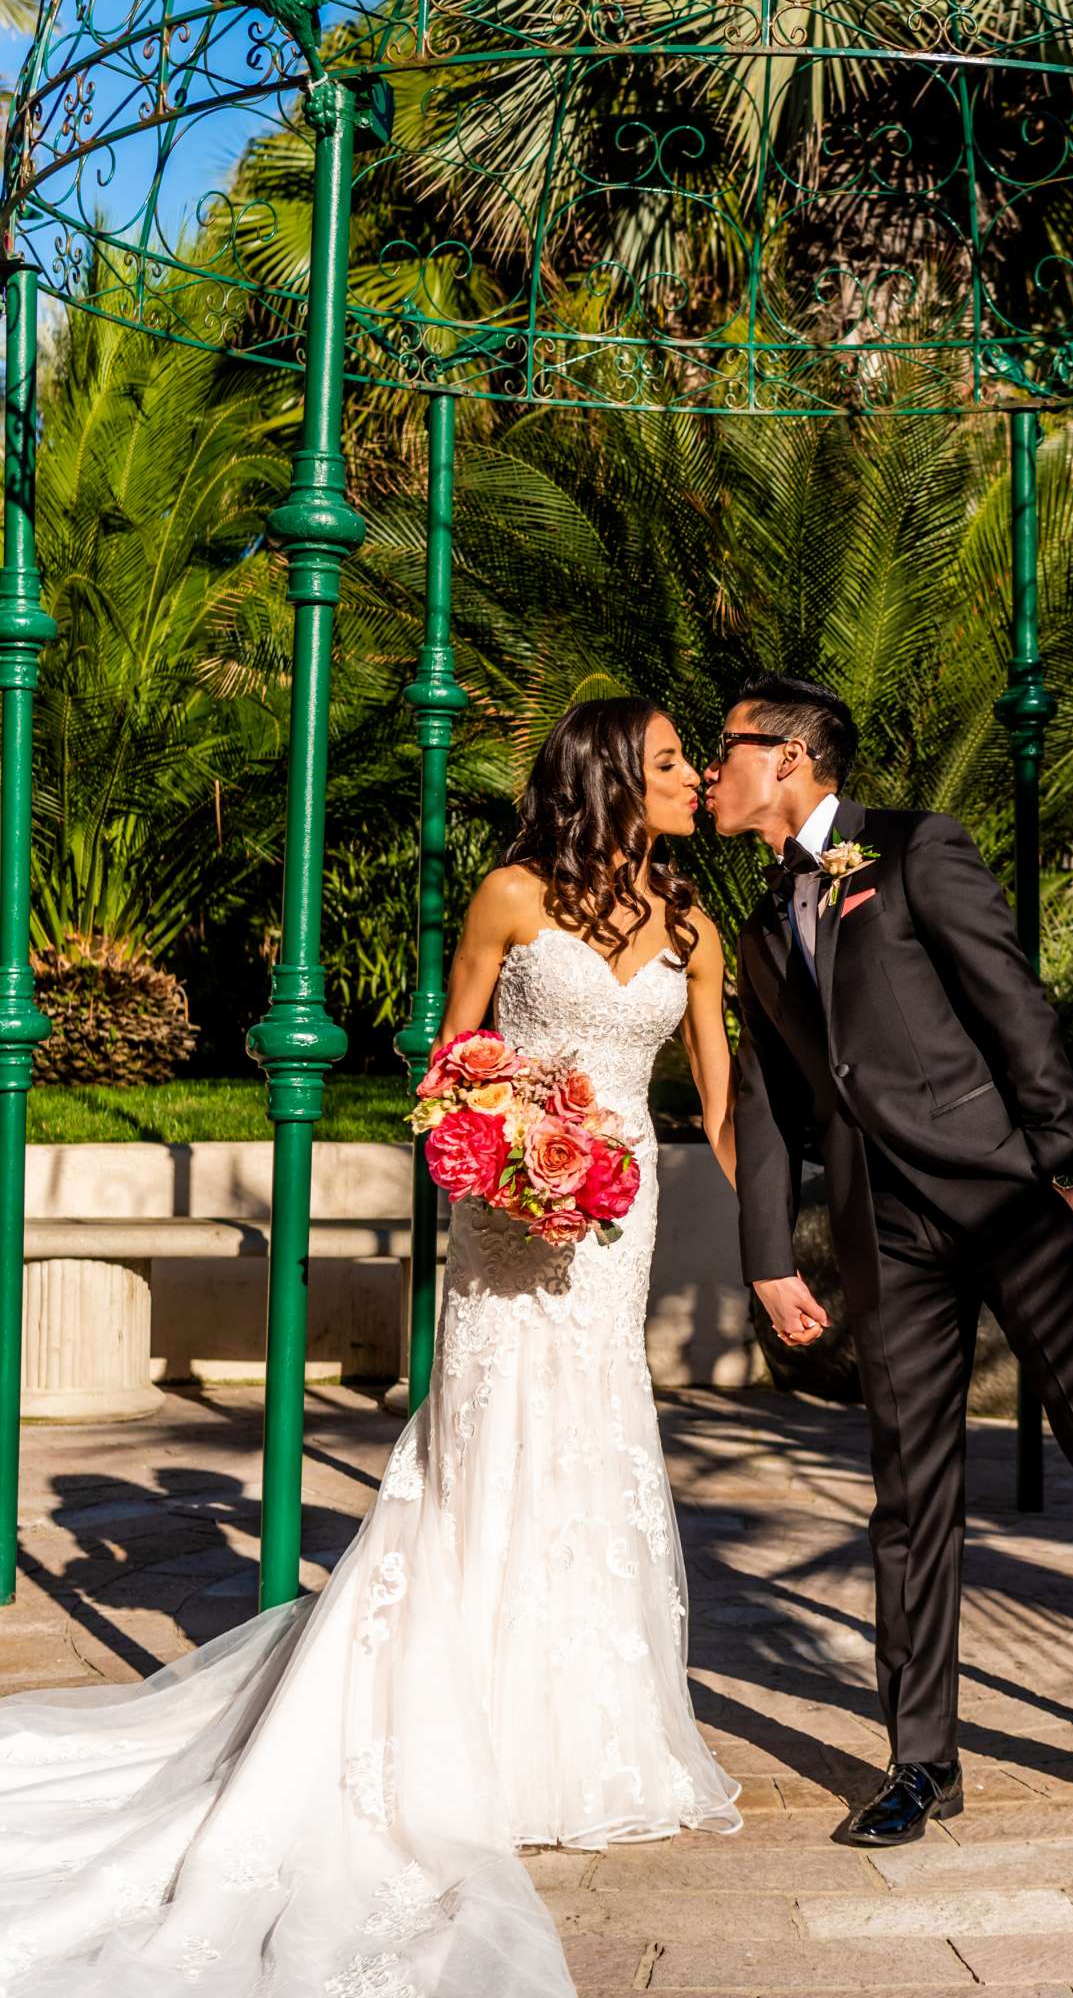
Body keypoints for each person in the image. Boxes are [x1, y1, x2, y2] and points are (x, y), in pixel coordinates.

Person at [0, 697, 738, 1996]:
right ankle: (464, 1735)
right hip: (510, 1220)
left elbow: (720, 1089)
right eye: (673, 761)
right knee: (492, 1447)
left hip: (621, 1227)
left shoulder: (692, 922)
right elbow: (454, 1058)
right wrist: (505, 1145)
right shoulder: (511, 894)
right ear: (609, 774)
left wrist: (781, 1237)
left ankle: (592, 1738)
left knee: (598, 1445)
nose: (695, 780)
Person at [704, 672, 1073, 1858]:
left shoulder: (914, 852)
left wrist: (1054, 1164)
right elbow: (765, 1097)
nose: (709, 771)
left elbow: (1017, 1007)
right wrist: (766, 1258)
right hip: (880, 1232)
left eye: (725, 750)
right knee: (909, 1494)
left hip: (1007, 1200)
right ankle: (921, 1762)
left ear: (792, 757)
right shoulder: (759, 924)